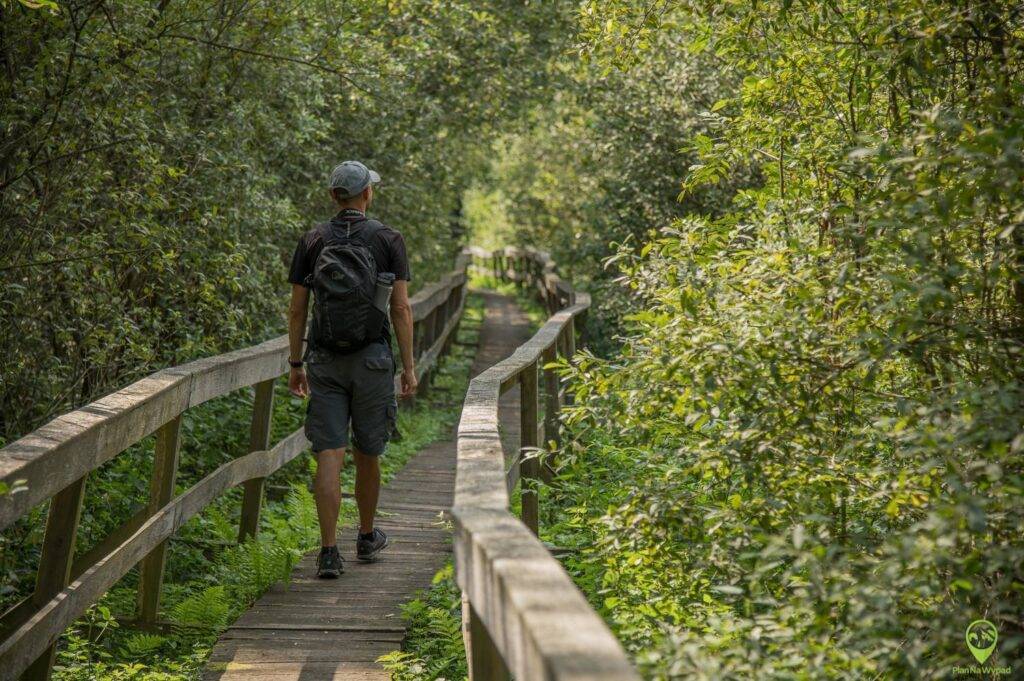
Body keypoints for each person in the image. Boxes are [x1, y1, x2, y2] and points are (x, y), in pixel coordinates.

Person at [286, 160, 418, 578]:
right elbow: (400, 308)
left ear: (333, 196)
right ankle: (364, 535)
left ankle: (328, 551)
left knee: (329, 453)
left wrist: (295, 363)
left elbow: (296, 310)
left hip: (324, 360)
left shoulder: (312, 240)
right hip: (373, 359)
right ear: (367, 194)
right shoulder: (388, 239)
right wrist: (409, 367)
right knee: (368, 451)